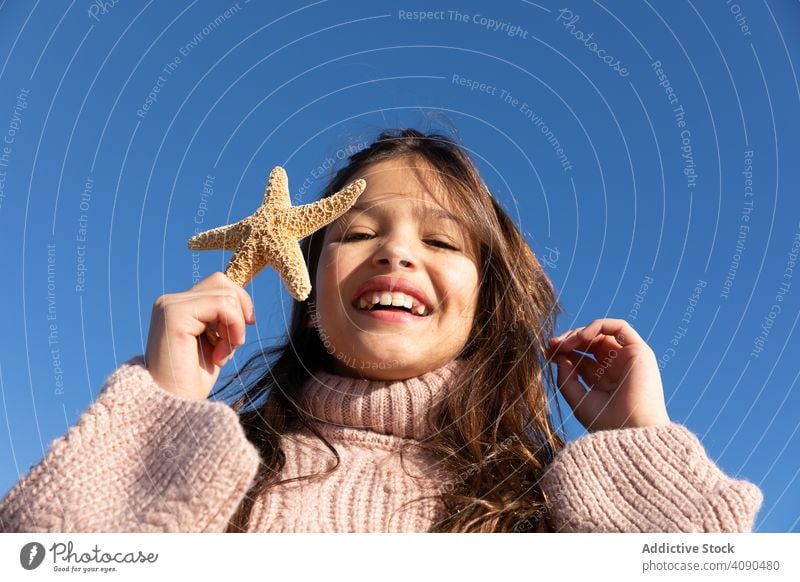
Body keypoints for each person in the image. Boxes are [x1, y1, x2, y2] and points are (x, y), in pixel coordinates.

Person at [0, 128, 762, 533]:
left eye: (442, 241)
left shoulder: (545, 506)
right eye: (358, 233)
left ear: (485, 302)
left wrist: (636, 444)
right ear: (313, 285)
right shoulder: (219, 468)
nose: (396, 250)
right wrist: (158, 417)